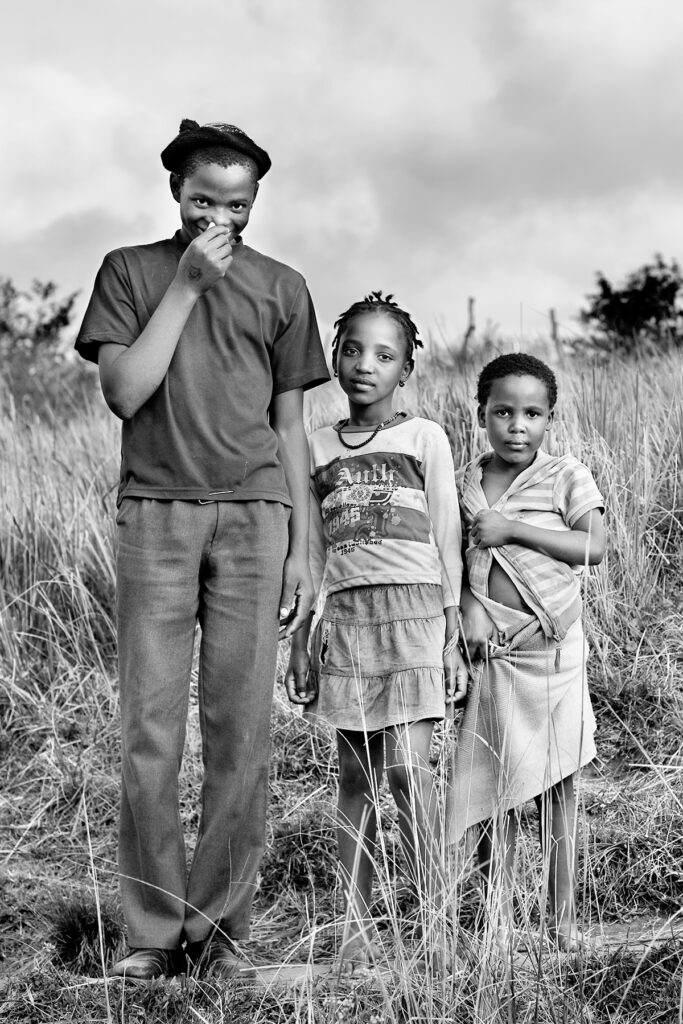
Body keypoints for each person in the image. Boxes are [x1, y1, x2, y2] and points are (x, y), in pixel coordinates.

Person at [75, 119, 329, 980]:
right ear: (174, 193)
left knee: (241, 735)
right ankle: (153, 931)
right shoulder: (131, 272)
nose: (218, 216)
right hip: (157, 514)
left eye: (236, 204)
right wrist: (183, 289)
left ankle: (220, 935)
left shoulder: (283, 287)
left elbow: (291, 428)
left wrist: (306, 545)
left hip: (258, 518)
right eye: (201, 200)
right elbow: (123, 392)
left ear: (255, 202)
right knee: (149, 732)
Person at [285, 291, 468, 971]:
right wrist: (303, 636)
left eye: (383, 354)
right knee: (355, 779)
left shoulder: (424, 439)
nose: (365, 364)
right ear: (334, 356)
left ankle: (435, 922)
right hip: (350, 621)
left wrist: (452, 629)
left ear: (406, 367)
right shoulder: (313, 446)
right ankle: (356, 929)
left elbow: (447, 535)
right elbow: (308, 554)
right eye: (353, 349)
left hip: (416, 615)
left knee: (406, 771)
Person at [449, 352, 605, 952]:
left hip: (555, 654)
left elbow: (594, 546)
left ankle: (560, 918)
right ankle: (497, 921)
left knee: (558, 786)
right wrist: (470, 613)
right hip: (496, 657)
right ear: (481, 413)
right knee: (498, 789)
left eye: (532, 413)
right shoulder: (468, 483)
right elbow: (464, 564)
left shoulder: (566, 474)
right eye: (503, 412)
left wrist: (512, 529)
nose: (518, 425)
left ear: (551, 418)